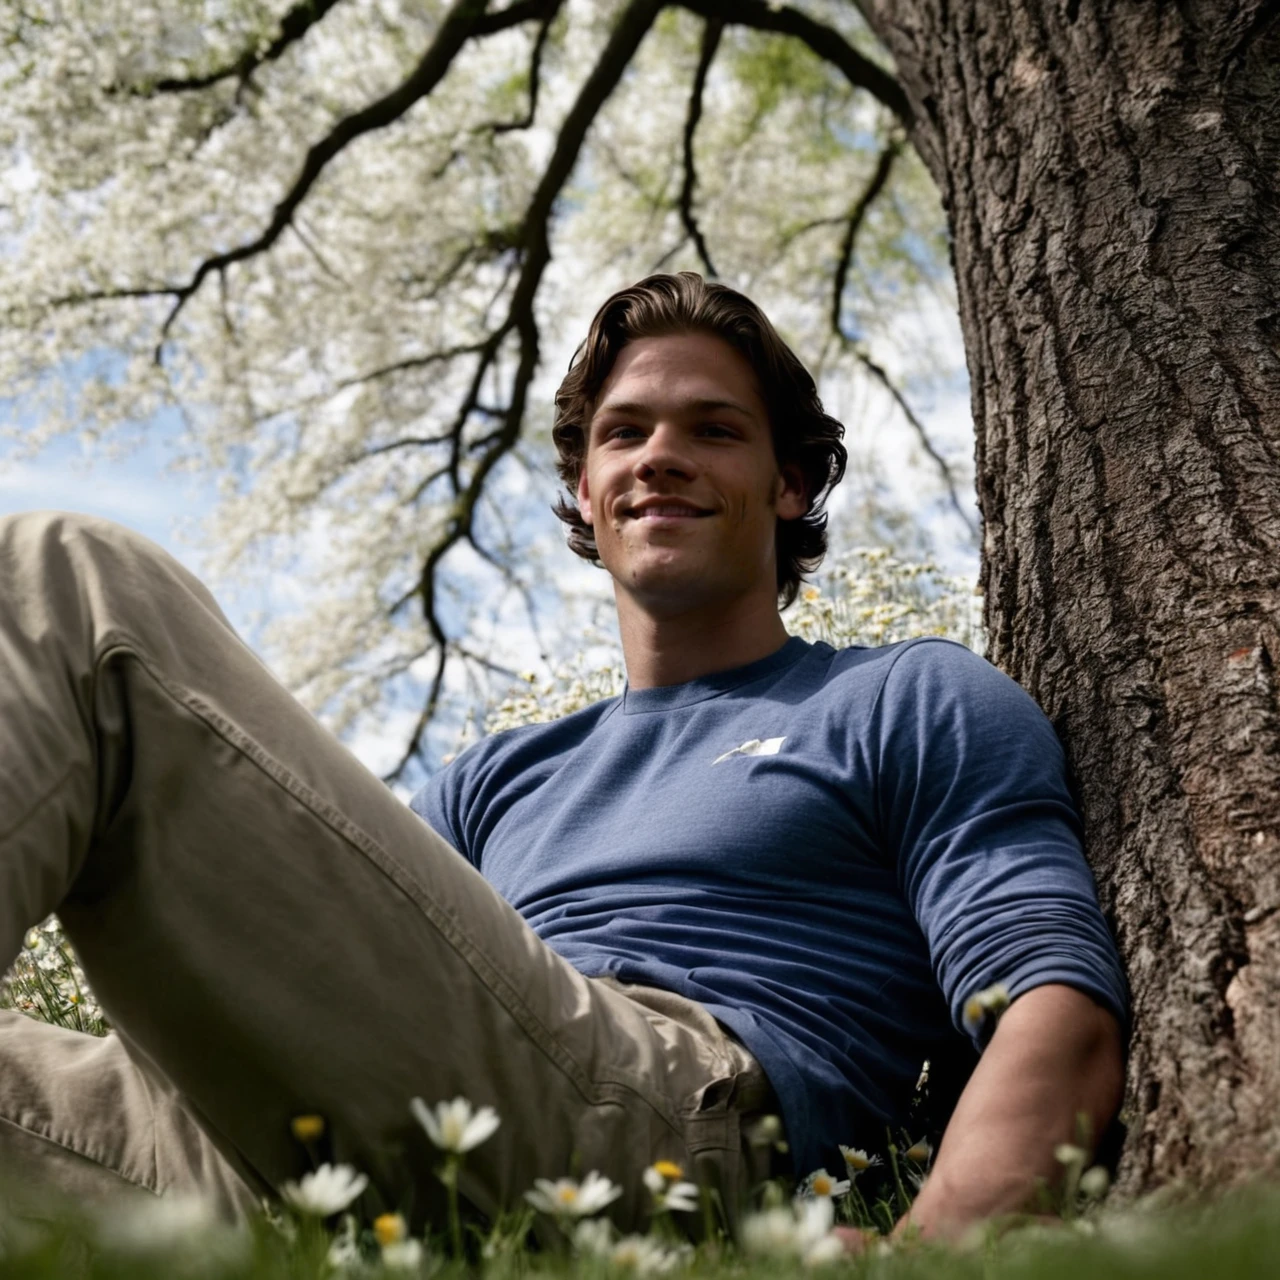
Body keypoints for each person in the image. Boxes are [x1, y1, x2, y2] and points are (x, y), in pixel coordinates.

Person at [0, 273, 1125, 1245]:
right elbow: (350, 961)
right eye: (624, 432)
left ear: (788, 485)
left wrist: (926, 1252)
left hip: (664, 1115)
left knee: (70, 583)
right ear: (586, 492)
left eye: (714, 430)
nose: (662, 457)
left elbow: (1048, 1000)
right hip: (358, 1138)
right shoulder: (497, 774)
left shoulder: (900, 694)